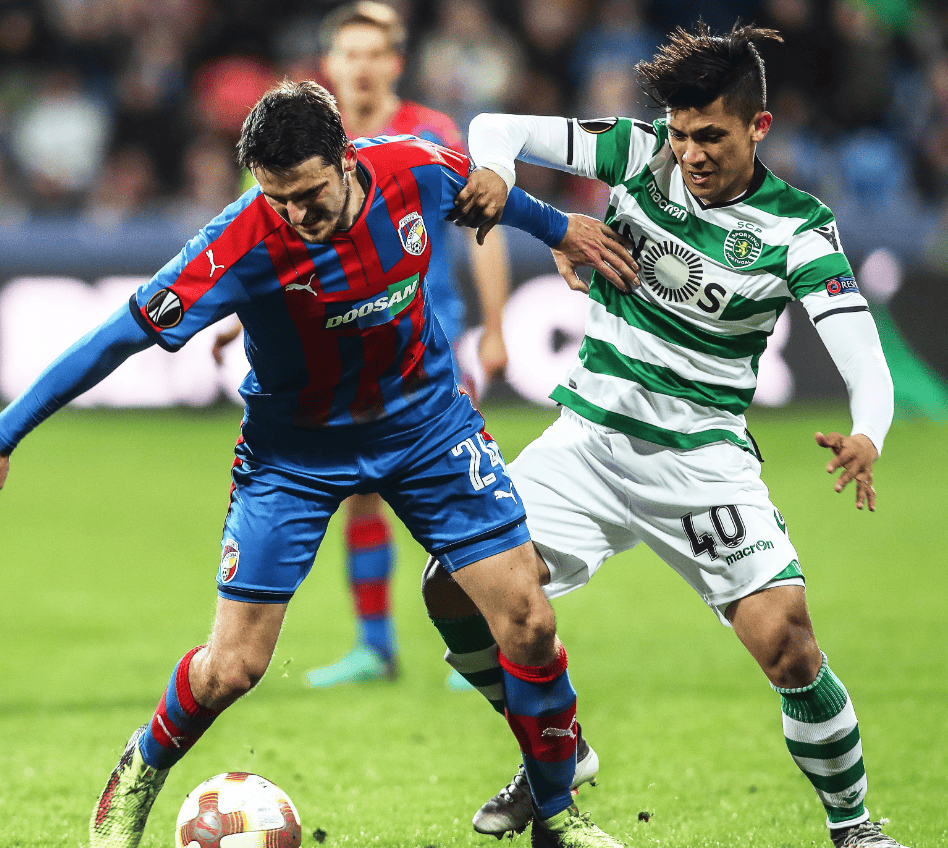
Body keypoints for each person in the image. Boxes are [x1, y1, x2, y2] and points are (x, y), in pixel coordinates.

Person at [0, 81, 640, 848]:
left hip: (426, 427)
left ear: (346, 159)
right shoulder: (238, 242)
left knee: (529, 619)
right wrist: (6, 433)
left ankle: (558, 816)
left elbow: (483, 192)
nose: (296, 215)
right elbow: (117, 336)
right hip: (293, 457)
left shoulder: (413, 168)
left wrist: (560, 230)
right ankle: (142, 764)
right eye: (278, 200)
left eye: (309, 195)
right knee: (231, 668)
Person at [423, 21, 908, 848]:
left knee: (789, 645)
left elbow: (865, 360)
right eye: (681, 134)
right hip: (586, 444)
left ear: (758, 126)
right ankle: (556, 751)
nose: (690, 153)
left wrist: (869, 433)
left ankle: (854, 828)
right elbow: (495, 128)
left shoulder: (798, 228)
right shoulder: (638, 152)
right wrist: (505, 181)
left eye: (710, 135)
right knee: (451, 586)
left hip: (701, 464)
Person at [213, 2, 514, 688]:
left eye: (375, 53)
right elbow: (262, 248)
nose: (362, 66)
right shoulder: (299, 146)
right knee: (360, 493)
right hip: (344, 345)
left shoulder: (429, 134)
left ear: (396, 63)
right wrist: (234, 319)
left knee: (451, 487)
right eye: (350, 54)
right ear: (331, 64)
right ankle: (375, 647)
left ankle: (483, 643)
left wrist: (495, 328)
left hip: (427, 338)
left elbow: (482, 229)